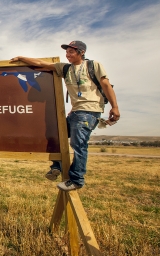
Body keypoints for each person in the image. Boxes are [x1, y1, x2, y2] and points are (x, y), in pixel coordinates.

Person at [10, 41, 120, 191]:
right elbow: (42, 63)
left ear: (81, 52)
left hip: (89, 111)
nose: (67, 54)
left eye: (71, 52)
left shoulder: (93, 66)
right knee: (56, 135)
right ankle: (57, 166)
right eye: (66, 52)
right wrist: (22, 58)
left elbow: (106, 84)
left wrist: (115, 107)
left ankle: (76, 180)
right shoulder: (65, 68)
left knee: (78, 145)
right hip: (75, 112)